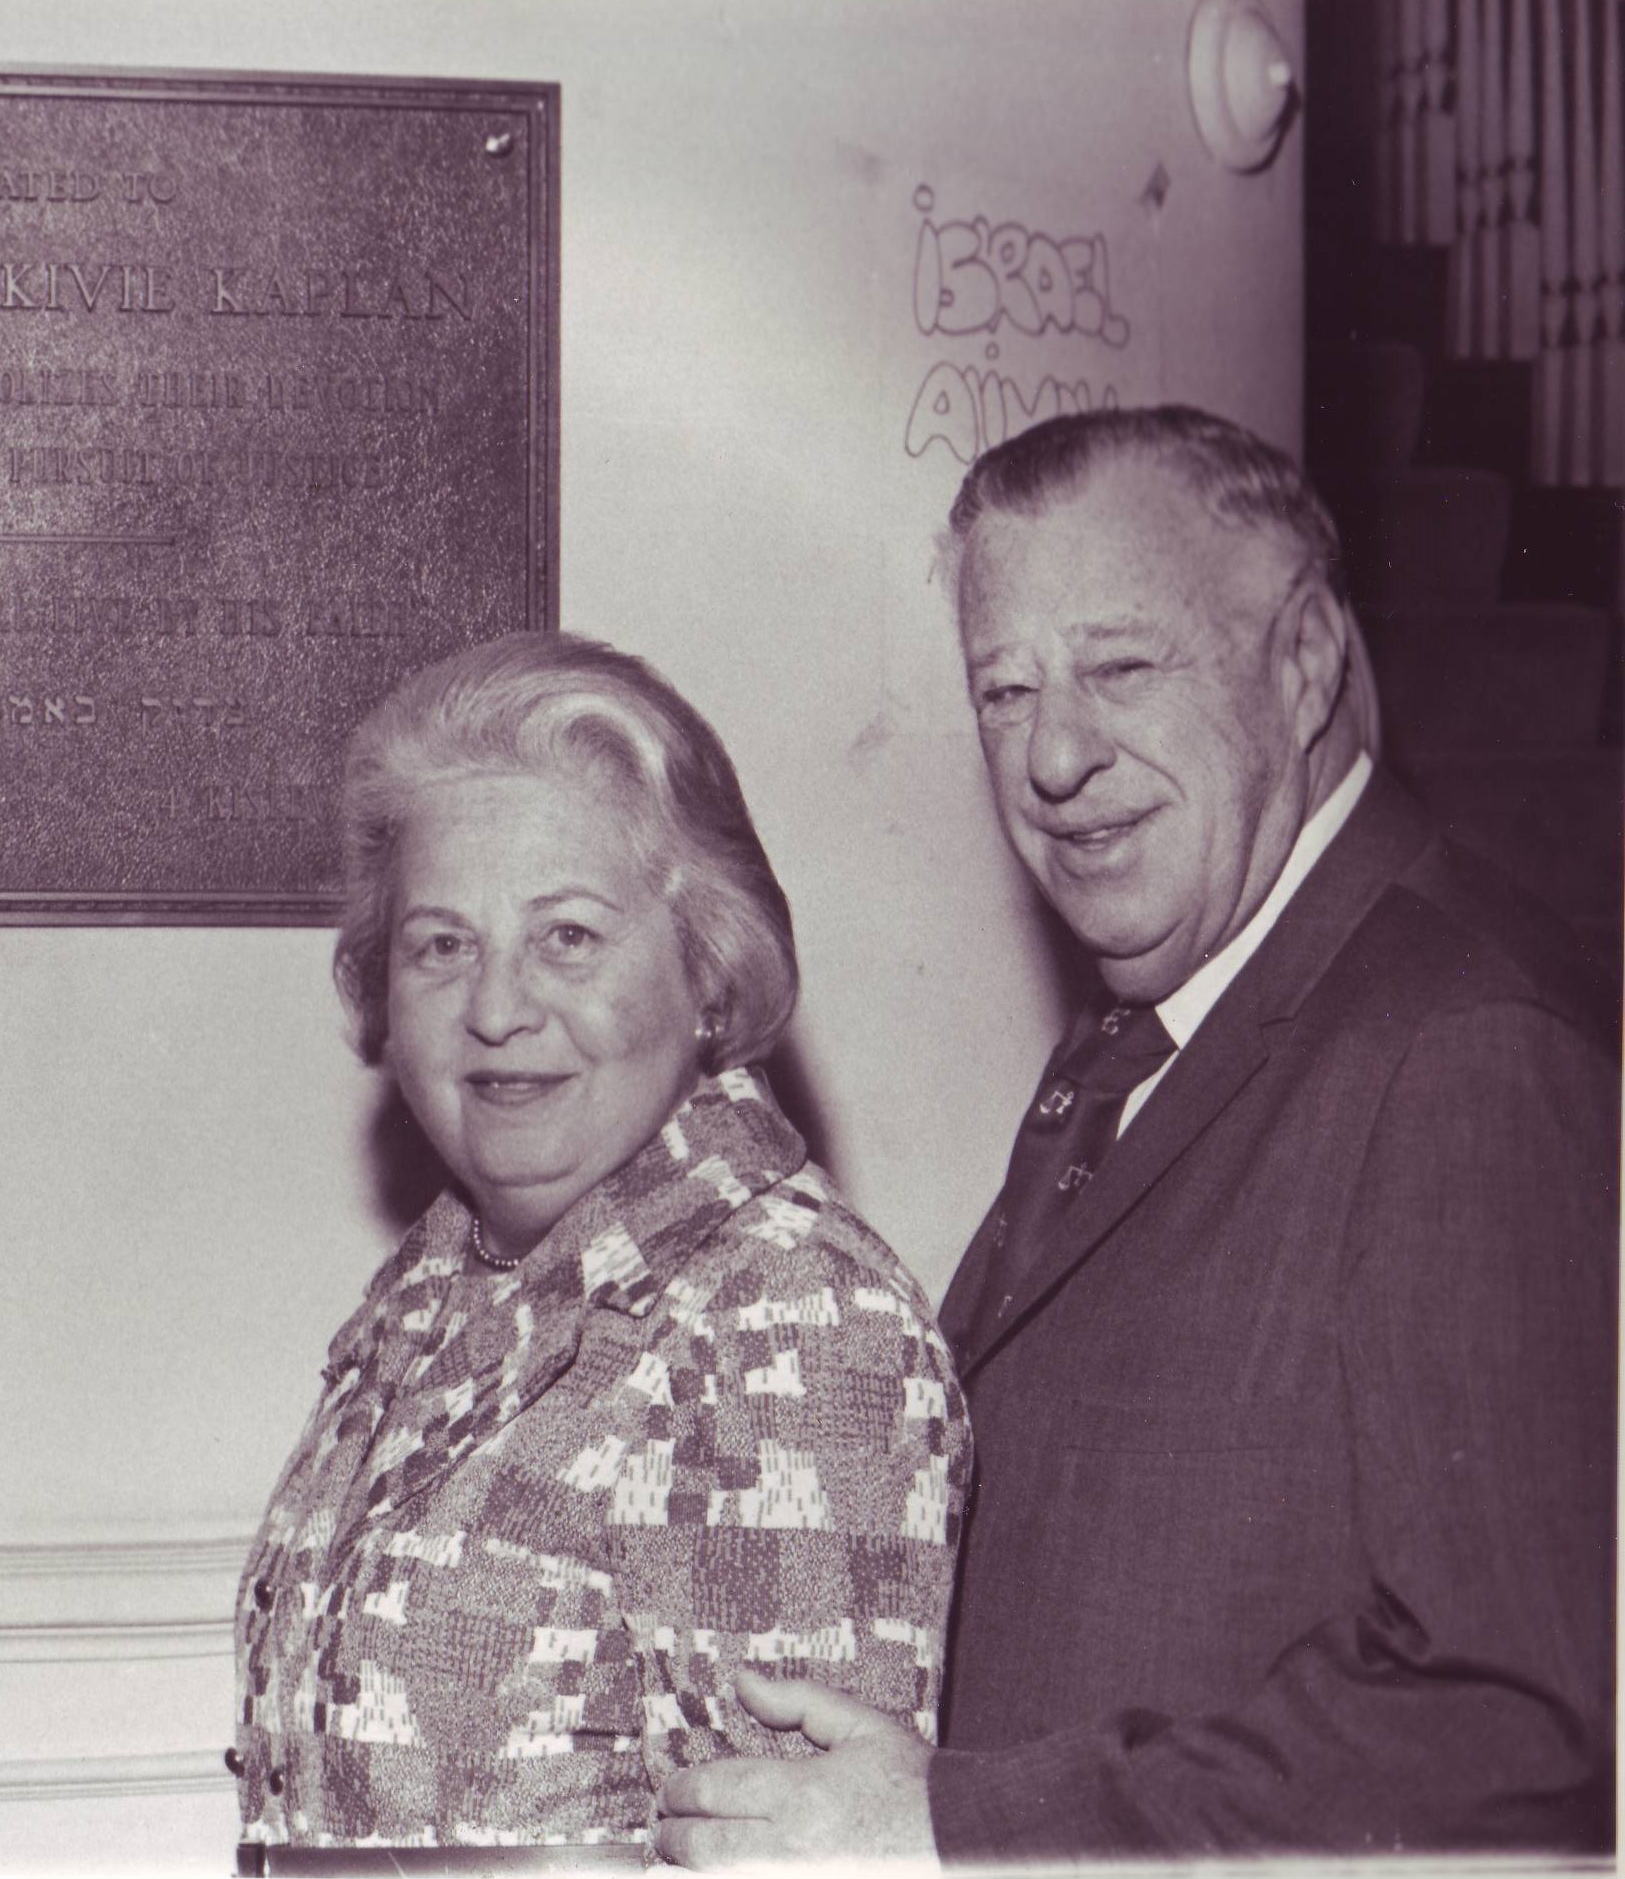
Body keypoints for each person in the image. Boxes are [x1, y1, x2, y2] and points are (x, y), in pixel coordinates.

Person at [656, 406, 1618, 1863]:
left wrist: (957, 1820)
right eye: (1001, 689)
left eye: (1116, 668)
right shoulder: (1150, 1029)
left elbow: (1513, 1720)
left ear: (1301, 665)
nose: (1049, 756)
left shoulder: (1462, 1049)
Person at [232, 632, 967, 1869]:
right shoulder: (437, 1293)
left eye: (567, 935)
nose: (498, 1008)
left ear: (710, 975)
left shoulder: (789, 1319)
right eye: (441, 944)